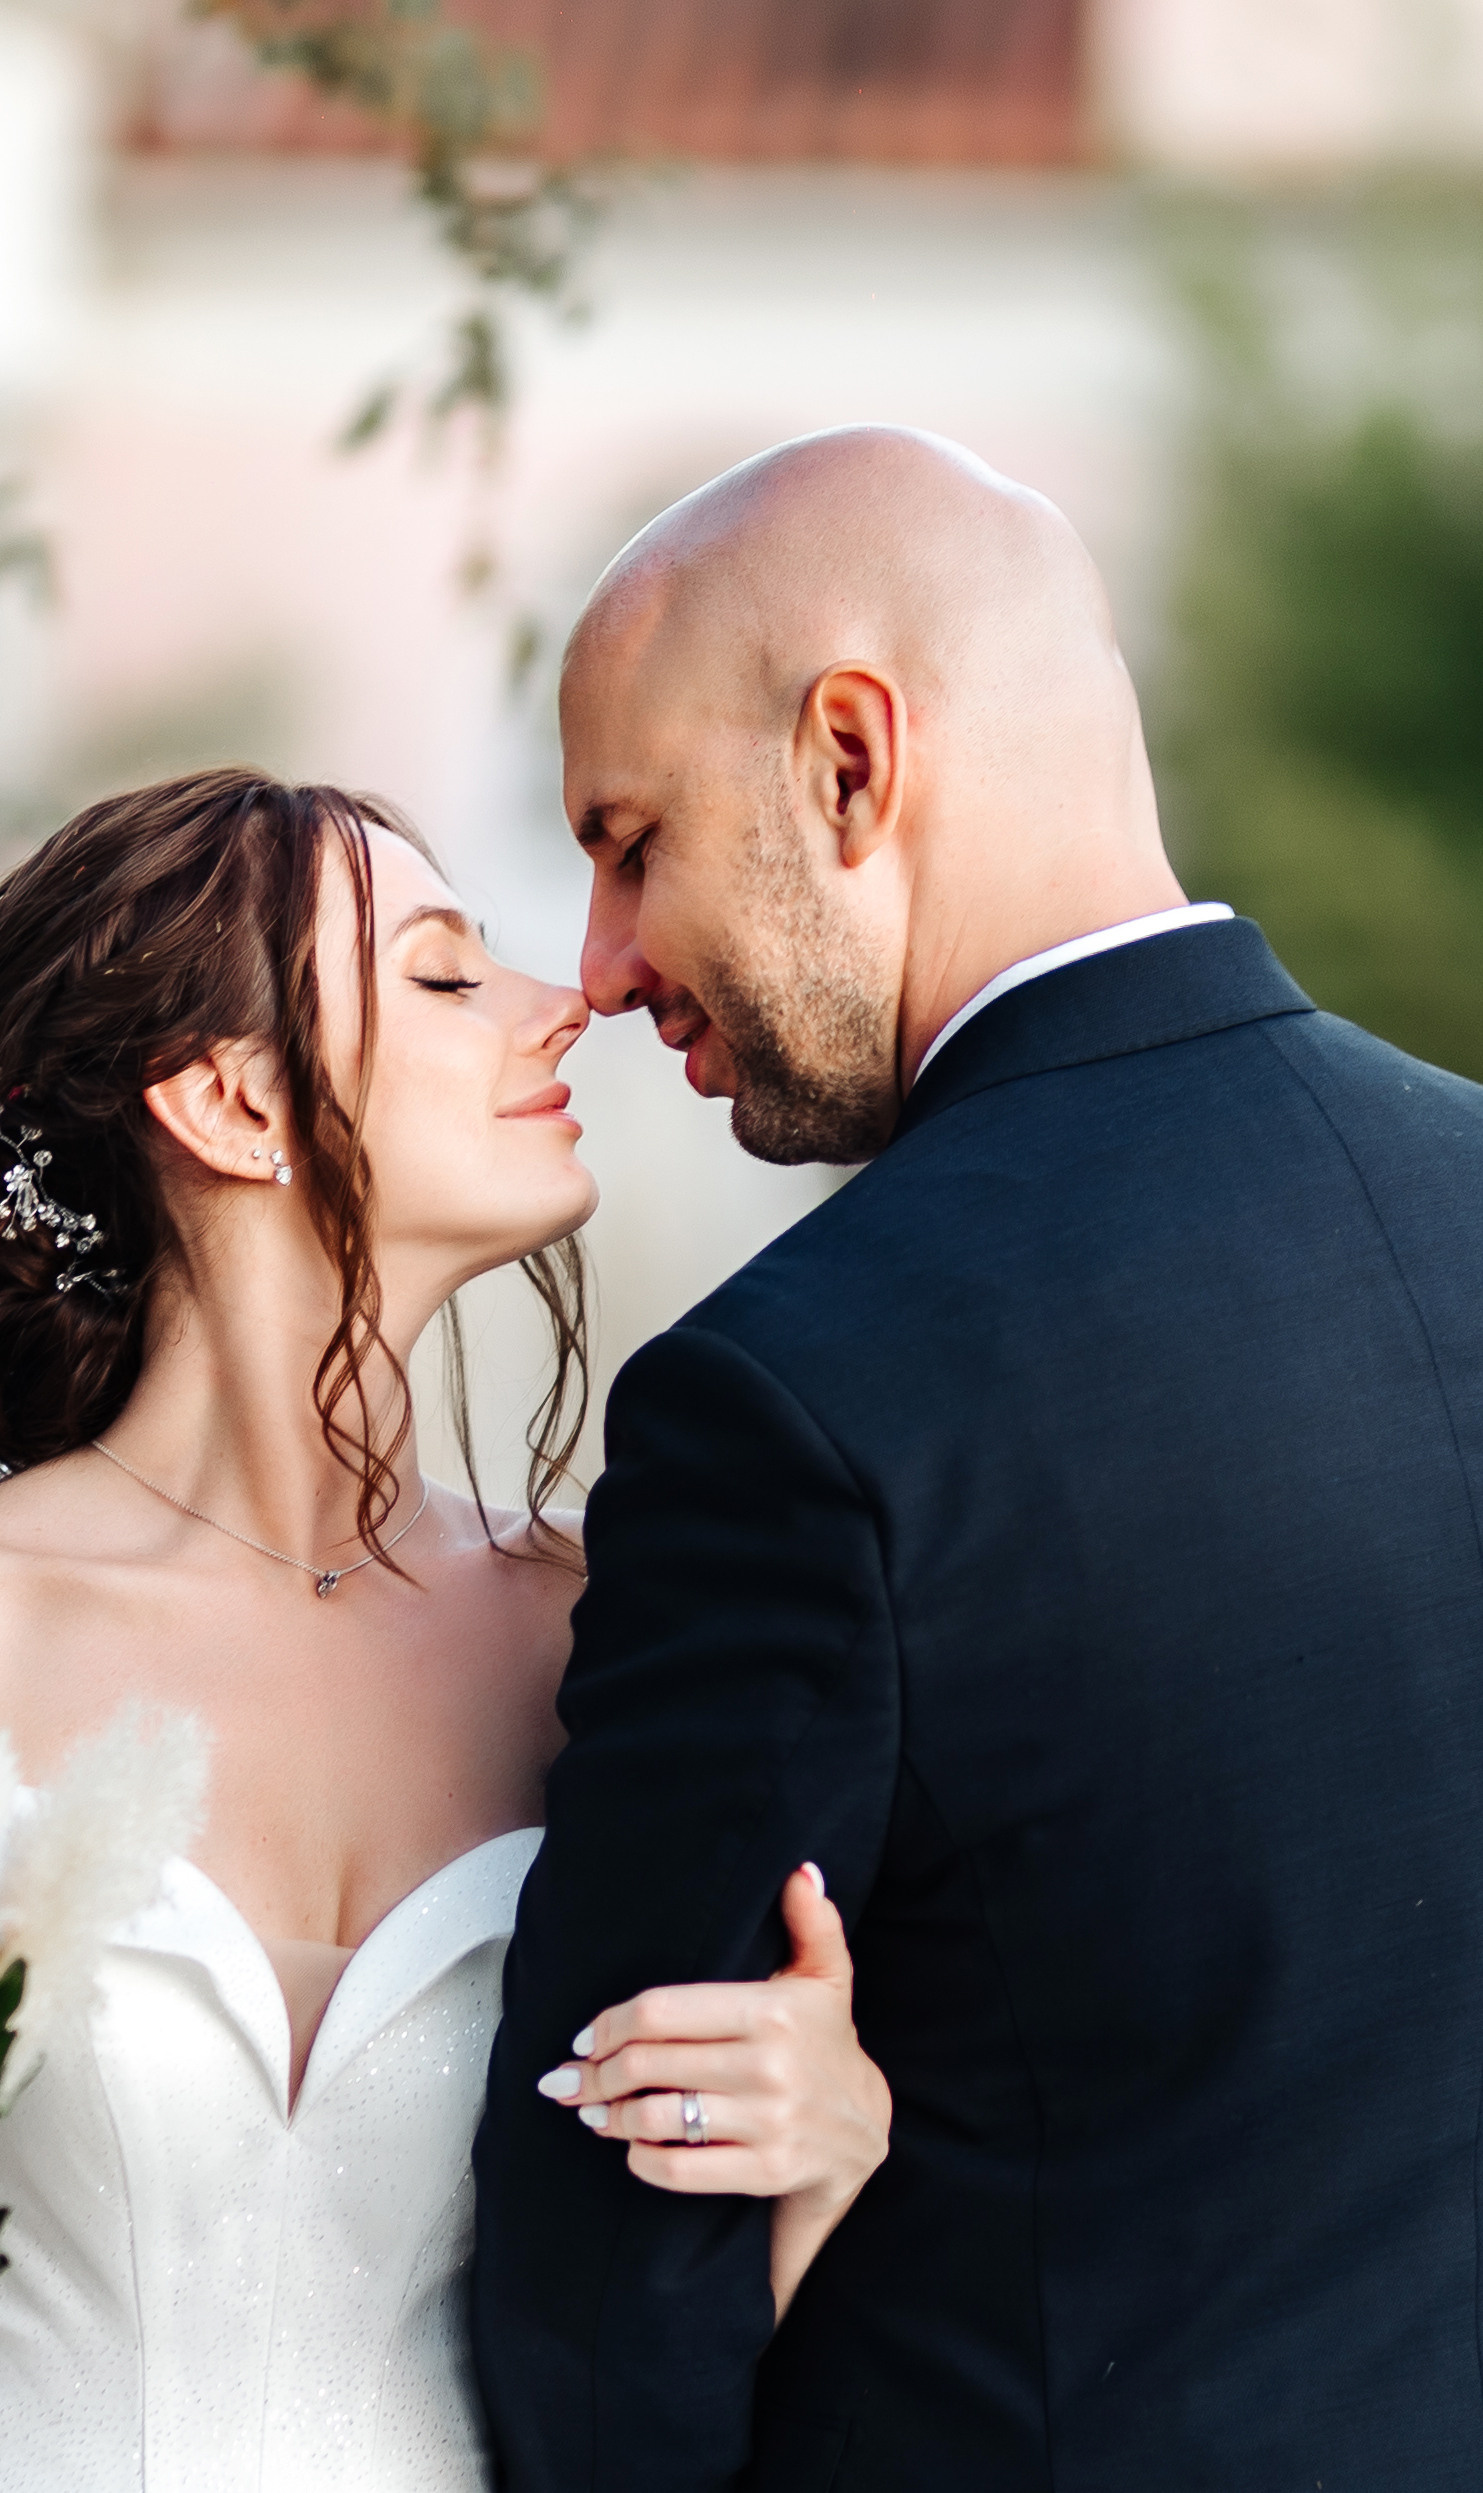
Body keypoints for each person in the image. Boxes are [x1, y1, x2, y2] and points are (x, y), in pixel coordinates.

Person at [0, 769, 890, 2493]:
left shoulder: (614, 1635)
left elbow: (652, 2357)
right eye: (441, 973)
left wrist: (829, 2148)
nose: (563, 1001)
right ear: (227, 1099)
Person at [473, 427, 1483, 2490]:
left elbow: (615, 2292)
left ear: (849, 759)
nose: (596, 962)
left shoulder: (794, 1395)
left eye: (629, 836)